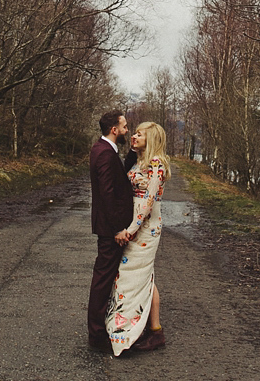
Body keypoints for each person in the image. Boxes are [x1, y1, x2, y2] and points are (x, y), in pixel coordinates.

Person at [105, 121, 171, 355]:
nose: (133, 136)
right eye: (133, 133)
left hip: (145, 227)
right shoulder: (141, 161)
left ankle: (138, 330)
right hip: (135, 224)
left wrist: (131, 230)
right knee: (144, 276)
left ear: (151, 139)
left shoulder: (156, 164)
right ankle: (154, 330)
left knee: (133, 275)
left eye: (139, 135)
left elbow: (149, 201)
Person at [87, 110, 136, 351]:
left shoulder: (104, 150)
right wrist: (118, 228)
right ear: (114, 130)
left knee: (104, 278)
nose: (127, 130)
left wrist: (134, 155)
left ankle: (102, 330)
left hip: (108, 226)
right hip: (110, 229)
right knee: (102, 280)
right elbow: (107, 193)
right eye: (125, 126)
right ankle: (96, 337)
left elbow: (118, 179)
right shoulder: (105, 154)